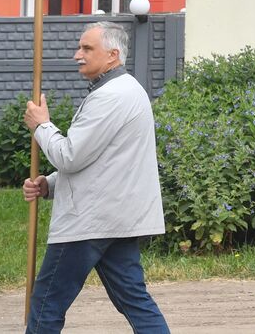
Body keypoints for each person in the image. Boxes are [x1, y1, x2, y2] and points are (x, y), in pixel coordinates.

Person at [22, 21, 169, 334]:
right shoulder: (126, 90)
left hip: (88, 221)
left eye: (87, 48)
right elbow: (103, 161)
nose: (78, 55)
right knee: (134, 301)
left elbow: (70, 156)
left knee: (46, 303)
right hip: (116, 217)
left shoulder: (110, 96)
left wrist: (41, 126)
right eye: (80, 47)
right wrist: (49, 184)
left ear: (113, 55)